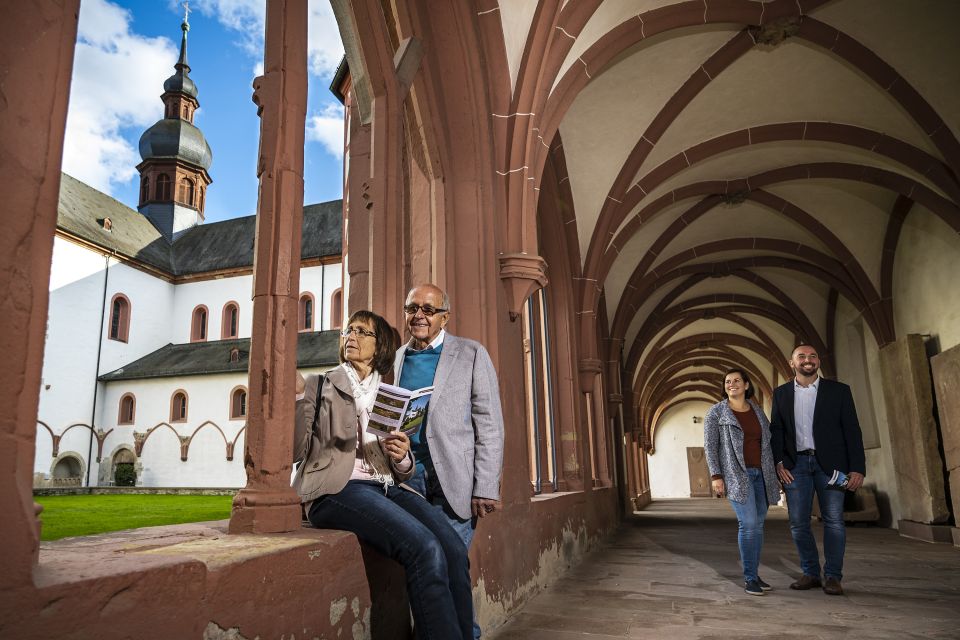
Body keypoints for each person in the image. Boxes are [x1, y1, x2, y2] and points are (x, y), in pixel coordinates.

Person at [293, 310, 473, 640]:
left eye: (362, 332)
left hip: (386, 486)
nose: (351, 336)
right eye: (349, 330)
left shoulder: (389, 395)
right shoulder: (321, 385)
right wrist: (296, 400)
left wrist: (402, 456)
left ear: (380, 347)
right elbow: (293, 451)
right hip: (339, 489)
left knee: (453, 548)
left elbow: (400, 472)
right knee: (424, 548)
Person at [394, 283, 505, 638]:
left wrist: (485, 485)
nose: (419, 316)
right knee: (424, 565)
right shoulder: (397, 358)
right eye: (412, 308)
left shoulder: (471, 353)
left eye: (428, 309)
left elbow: (489, 423)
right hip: (408, 480)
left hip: (455, 481)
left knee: (451, 566)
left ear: (445, 316)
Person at [769, 344, 866, 596]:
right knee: (798, 523)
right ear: (792, 363)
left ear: (818, 361)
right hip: (795, 466)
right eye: (801, 356)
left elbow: (852, 430)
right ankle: (810, 572)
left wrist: (857, 468)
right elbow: (776, 431)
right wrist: (778, 462)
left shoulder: (839, 391)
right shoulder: (781, 394)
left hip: (833, 467)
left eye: (812, 356)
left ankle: (833, 576)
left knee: (834, 521)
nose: (807, 360)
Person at [704, 368, 781, 596]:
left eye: (737, 380)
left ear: (747, 385)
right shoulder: (716, 413)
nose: (732, 384)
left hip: (761, 474)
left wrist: (775, 472)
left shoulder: (757, 412)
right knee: (747, 524)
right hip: (737, 475)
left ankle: (755, 574)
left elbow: (767, 443)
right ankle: (749, 578)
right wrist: (716, 476)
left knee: (757, 527)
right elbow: (710, 446)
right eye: (728, 381)